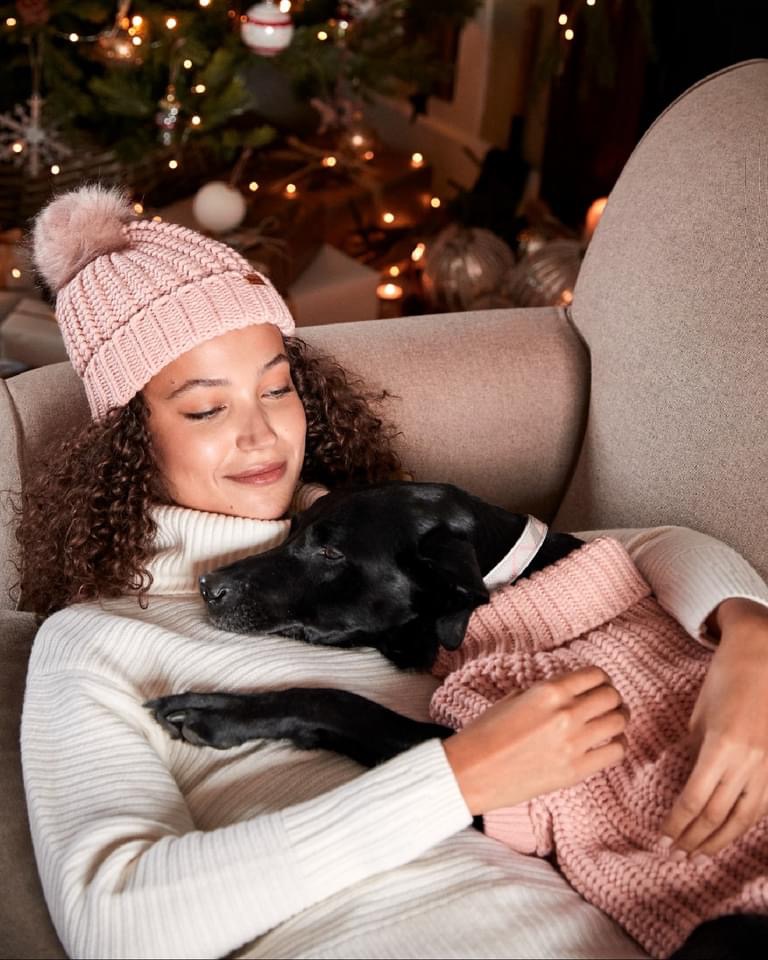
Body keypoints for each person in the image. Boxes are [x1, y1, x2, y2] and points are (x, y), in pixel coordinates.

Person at [15, 185, 768, 960]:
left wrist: (750, 639)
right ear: (128, 441)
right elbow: (114, 921)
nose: (263, 432)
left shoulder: (372, 532)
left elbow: (632, 553)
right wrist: (458, 778)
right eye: (206, 410)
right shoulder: (96, 637)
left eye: (278, 388)